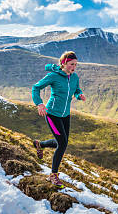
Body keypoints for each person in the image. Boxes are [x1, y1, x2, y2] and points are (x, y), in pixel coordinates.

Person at [31, 51, 86, 188]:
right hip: (52, 114)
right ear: (64, 63)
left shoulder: (74, 77)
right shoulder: (53, 76)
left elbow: (76, 90)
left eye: (75, 65)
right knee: (62, 144)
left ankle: (41, 144)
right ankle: (53, 175)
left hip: (65, 114)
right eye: (71, 64)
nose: (74, 67)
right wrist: (39, 104)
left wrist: (79, 95)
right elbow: (35, 88)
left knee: (63, 142)